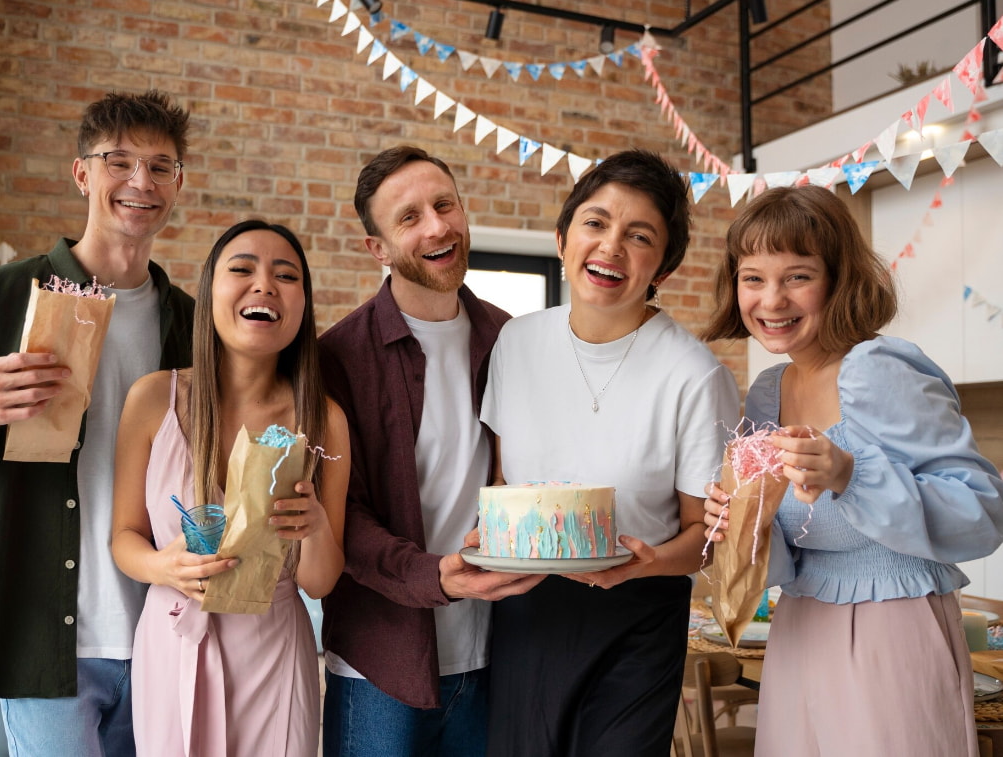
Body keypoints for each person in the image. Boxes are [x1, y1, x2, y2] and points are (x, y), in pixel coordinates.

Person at [0, 90, 194, 756]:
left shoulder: (190, 322)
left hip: (167, 634)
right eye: (119, 161)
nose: (140, 181)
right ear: (82, 173)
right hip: (45, 645)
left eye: (160, 167)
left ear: (179, 184)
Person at [700, 185, 1003, 756]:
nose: (771, 299)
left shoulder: (879, 369)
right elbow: (795, 549)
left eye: (797, 276)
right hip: (796, 634)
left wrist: (849, 475)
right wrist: (744, 523)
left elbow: (984, 511)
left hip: (894, 632)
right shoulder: (768, 393)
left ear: (838, 279)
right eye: (753, 278)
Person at [480, 149, 740, 757]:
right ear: (563, 237)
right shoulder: (515, 343)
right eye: (596, 224)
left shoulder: (695, 375)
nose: (611, 247)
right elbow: (500, 483)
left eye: (639, 235)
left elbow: (706, 533)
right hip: (526, 612)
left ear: (664, 268)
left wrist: (640, 565)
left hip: (636, 617)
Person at [318, 145, 545, 757]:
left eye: (445, 205)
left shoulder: (512, 338)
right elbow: (342, 518)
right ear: (379, 249)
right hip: (381, 664)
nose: (437, 226)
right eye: (409, 217)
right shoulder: (336, 357)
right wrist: (435, 577)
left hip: (499, 654)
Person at [111, 219, 348, 755]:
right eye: (241, 269)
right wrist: (161, 567)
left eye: (285, 275)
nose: (264, 284)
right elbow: (123, 536)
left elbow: (320, 581)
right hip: (172, 641)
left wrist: (314, 528)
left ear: (302, 305)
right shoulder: (152, 399)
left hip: (274, 651)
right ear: (209, 292)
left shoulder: (324, 421)